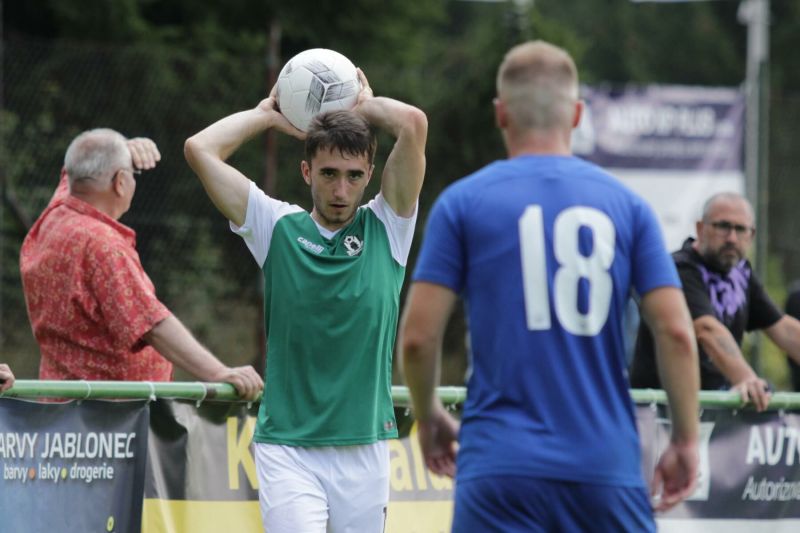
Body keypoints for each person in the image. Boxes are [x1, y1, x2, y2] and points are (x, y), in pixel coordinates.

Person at [399, 40, 700, 532]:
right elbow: (677, 335)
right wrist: (686, 440)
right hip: (605, 468)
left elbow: (417, 337)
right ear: (578, 114)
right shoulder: (629, 207)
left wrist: (428, 415)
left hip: (499, 469)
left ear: (501, 114)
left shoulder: (464, 203)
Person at [184, 69, 427, 532]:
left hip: (366, 449)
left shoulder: (389, 228)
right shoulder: (276, 227)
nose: (341, 191)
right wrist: (265, 116)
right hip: (288, 450)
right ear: (306, 171)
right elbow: (199, 150)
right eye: (329, 174)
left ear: (369, 175)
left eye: (354, 177)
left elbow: (414, 124)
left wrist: (364, 104)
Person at [20, 129, 263, 400]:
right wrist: (218, 372)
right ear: (121, 182)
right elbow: (152, 324)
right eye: (132, 175)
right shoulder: (102, 246)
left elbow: (74, 167)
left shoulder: (55, 215)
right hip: (110, 424)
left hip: (62, 414)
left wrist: (120, 149)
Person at [630, 192, 800, 411]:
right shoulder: (679, 268)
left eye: (740, 229)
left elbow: (784, 329)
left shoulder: (741, 275)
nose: (731, 238)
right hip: (661, 412)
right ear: (700, 228)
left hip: (716, 417)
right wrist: (747, 378)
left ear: (751, 235)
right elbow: (706, 329)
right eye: (723, 226)